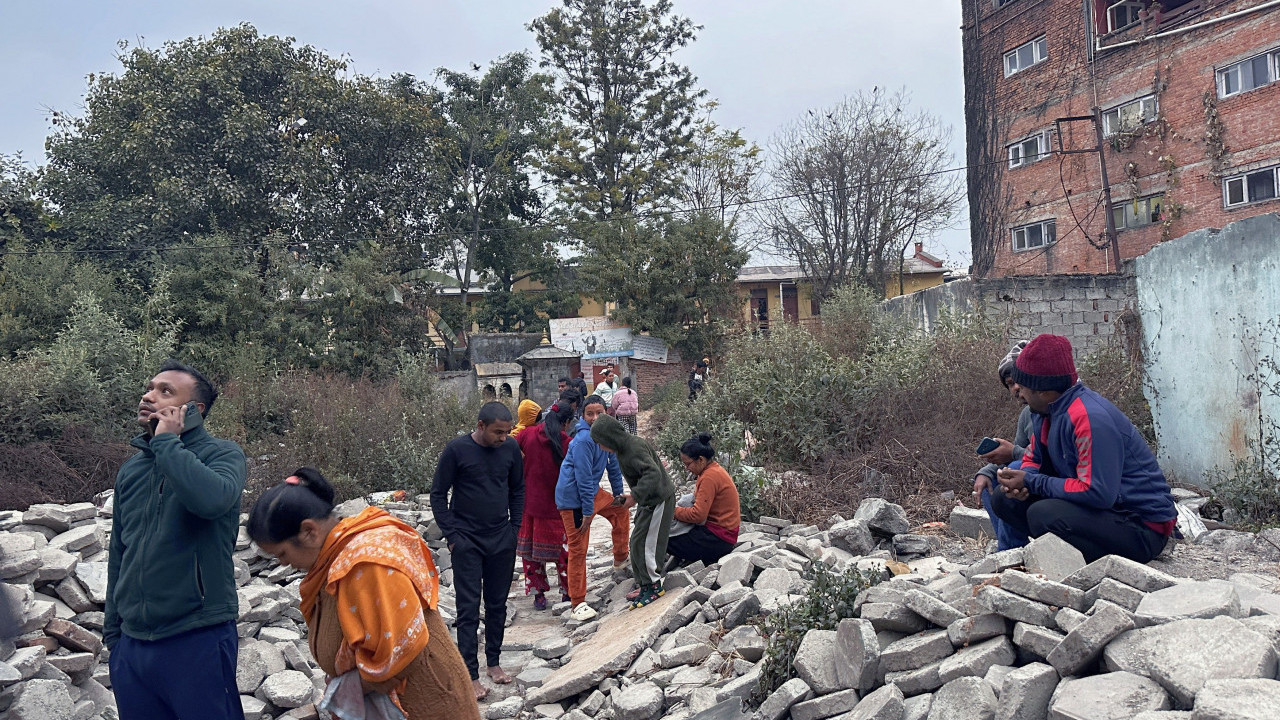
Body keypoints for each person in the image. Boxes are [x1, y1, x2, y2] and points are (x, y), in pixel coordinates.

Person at [248, 468, 480, 720]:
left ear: (309, 531)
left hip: (424, 704)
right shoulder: (331, 559)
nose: (282, 564)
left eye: (282, 554)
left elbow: (397, 654)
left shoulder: (366, 564)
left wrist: (341, 690)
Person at [105, 360, 247, 720]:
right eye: (150, 387)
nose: (148, 395)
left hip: (197, 636)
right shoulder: (132, 470)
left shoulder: (222, 455)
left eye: (165, 391)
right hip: (133, 648)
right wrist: (114, 638)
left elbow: (211, 501)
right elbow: (120, 551)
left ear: (193, 410)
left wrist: (167, 441)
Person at [988, 334, 1177, 563]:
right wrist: (1023, 484)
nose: (1020, 393)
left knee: (1043, 515)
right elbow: (1034, 460)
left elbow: (1097, 493)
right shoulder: (1044, 412)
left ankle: (1090, 566)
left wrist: (1032, 482)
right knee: (1004, 499)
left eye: (1024, 387)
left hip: (1141, 526)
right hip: (1105, 512)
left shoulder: (1089, 417)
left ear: (1043, 391)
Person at [430, 402, 524, 700]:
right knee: (468, 609)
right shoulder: (457, 450)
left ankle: (493, 663)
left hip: (501, 539)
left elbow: (517, 489)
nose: (502, 437)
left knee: (497, 605)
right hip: (467, 541)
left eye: (506, 432)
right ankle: (469, 674)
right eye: (497, 431)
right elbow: (437, 493)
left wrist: (514, 530)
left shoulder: (509, 449)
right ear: (481, 426)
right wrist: (453, 535)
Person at [555, 395, 632, 622]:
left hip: (592, 492)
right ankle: (577, 603)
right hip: (573, 499)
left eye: (599, 413)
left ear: (607, 413)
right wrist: (588, 512)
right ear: (583, 415)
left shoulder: (604, 436)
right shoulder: (582, 441)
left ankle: (620, 559)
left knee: (621, 511)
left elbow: (614, 466)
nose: (595, 418)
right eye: (590, 414)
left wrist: (618, 495)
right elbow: (583, 478)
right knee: (578, 547)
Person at [590, 414, 676, 608]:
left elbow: (652, 473)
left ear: (609, 438)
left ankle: (654, 586)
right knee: (636, 541)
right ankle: (644, 584)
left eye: (601, 443)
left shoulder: (633, 448)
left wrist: (634, 496)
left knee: (648, 544)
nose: (601, 447)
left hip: (659, 500)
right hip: (648, 501)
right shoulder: (623, 450)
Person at [972, 341, 1036, 551]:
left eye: (1020, 380)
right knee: (990, 480)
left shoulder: (1057, 411)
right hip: (1032, 479)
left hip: (1055, 483)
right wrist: (984, 472)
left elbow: (1051, 458)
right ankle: (1011, 550)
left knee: (1014, 469)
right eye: (1010, 383)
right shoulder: (1027, 416)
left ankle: (1009, 555)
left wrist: (1014, 454)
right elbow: (1018, 450)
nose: (1016, 387)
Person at [516, 403, 575, 611]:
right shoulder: (567, 442)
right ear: (567, 423)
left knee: (531, 554)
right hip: (558, 507)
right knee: (564, 554)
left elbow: (509, 451)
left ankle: (538, 595)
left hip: (530, 504)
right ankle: (568, 593)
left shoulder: (526, 435)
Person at [667, 433, 741, 567]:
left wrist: (673, 511)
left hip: (720, 539)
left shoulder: (709, 477)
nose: (686, 468)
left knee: (662, 540)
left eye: (688, 464)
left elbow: (698, 515)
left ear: (700, 459)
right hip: (724, 534)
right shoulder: (713, 470)